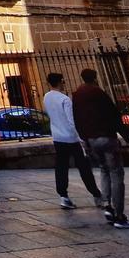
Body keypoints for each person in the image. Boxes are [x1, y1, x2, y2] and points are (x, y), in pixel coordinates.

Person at [71, 68, 129, 229]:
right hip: (107, 138)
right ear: (95, 78)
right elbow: (114, 116)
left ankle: (107, 204)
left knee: (103, 170)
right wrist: (127, 137)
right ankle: (119, 216)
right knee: (116, 174)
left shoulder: (77, 95)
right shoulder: (99, 93)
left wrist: (85, 140)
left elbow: (77, 119)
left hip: (91, 139)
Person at [42, 72, 103, 209]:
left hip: (57, 137)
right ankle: (96, 194)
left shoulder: (46, 97)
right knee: (84, 167)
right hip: (71, 138)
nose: (64, 84)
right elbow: (72, 121)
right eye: (63, 81)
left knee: (61, 167)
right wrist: (81, 138)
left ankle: (63, 196)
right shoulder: (65, 99)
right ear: (60, 82)